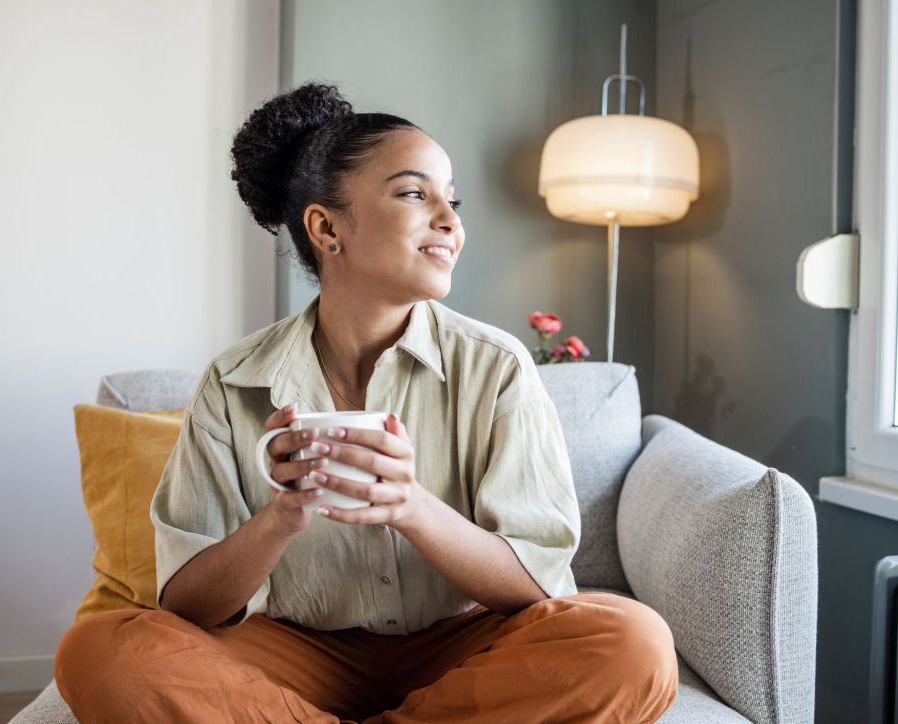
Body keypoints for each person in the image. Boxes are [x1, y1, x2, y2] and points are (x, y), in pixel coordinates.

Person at [53, 82, 678, 723]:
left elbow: (537, 585)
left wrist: (411, 506)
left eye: (452, 199)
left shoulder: (498, 367)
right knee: (101, 650)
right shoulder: (232, 380)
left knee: (632, 642)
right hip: (293, 650)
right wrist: (281, 516)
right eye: (415, 193)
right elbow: (186, 606)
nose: (451, 220)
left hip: (463, 649)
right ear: (326, 227)